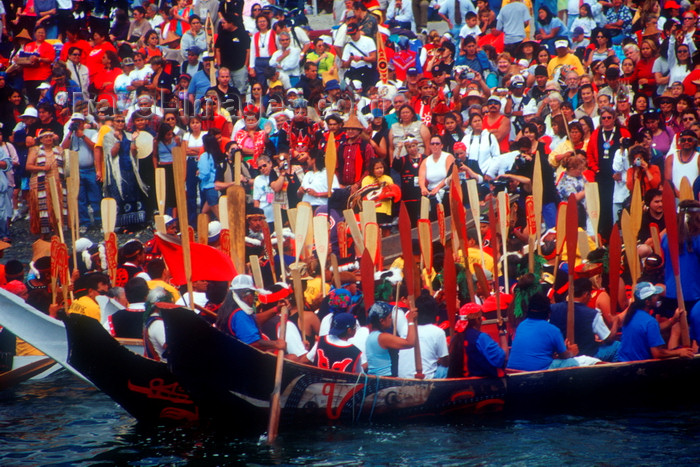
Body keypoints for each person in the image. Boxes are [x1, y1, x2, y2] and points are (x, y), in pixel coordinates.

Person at [618, 282, 695, 362]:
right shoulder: (650, 321)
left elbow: (652, 329)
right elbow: (657, 353)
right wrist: (679, 352)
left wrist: (673, 320)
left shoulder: (631, 315)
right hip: (638, 366)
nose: (658, 297)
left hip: (624, 360)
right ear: (647, 302)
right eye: (655, 295)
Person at [550, 278, 620, 361]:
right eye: (590, 295)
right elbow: (609, 339)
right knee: (617, 345)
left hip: (561, 355)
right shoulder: (592, 314)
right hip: (587, 356)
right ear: (586, 294)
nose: (590, 299)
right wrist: (615, 322)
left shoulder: (553, 308)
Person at [507, 292, 579, 371]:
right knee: (572, 362)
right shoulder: (552, 330)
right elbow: (564, 356)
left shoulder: (522, 325)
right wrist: (572, 352)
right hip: (536, 373)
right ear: (548, 313)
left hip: (512, 371)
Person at [216, 274, 285, 351]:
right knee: (292, 357)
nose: (254, 297)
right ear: (245, 294)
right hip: (243, 357)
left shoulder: (231, 309)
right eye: (253, 294)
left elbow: (255, 320)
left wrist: (276, 309)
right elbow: (254, 343)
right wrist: (276, 344)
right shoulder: (239, 315)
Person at [25, 129, 66, 238]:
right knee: (43, 208)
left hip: (57, 182)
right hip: (41, 183)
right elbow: (28, 166)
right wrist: (42, 168)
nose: (48, 139)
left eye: (50, 136)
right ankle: (45, 233)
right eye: (45, 137)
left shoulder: (58, 150)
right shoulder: (35, 150)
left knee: (58, 207)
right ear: (41, 140)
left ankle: (58, 231)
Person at [397, 293, 449, 379]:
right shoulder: (438, 332)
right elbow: (445, 362)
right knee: (447, 368)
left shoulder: (406, 328)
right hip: (424, 379)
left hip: (403, 377)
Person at [447, 302, 507, 378]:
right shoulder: (481, 337)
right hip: (481, 385)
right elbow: (501, 359)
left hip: (461, 383)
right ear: (478, 320)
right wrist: (502, 331)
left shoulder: (455, 339)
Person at [366, 301, 417, 377]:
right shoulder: (382, 337)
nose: (391, 320)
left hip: (375, 378)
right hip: (384, 379)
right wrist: (411, 321)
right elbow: (410, 343)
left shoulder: (371, 336)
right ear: (382, 321)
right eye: (390, 317)